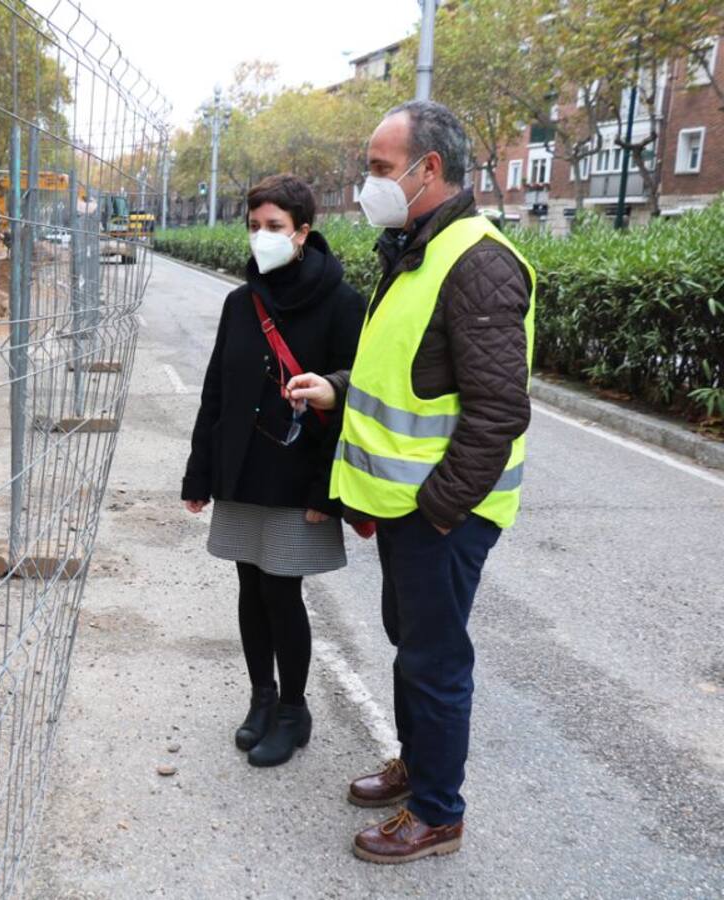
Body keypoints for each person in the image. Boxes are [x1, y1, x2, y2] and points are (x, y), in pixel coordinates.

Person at [288, 100, 535, 864]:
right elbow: (404, 372)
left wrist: (439, 510)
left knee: (434, 660)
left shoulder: (477, 261)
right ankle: (417, 764)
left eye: (379, 168)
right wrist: (337, 388)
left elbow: (498, 411)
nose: (368, 185)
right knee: (411, 646)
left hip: (443, 512)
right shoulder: (415, 251)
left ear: (429, 169)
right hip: (407, 508)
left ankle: (436, 813)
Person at [182, 174, 365, 768]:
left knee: (282, 592)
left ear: (303, 232)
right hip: (241, 470)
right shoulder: (242, 303)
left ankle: (293, 710)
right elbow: (215, 391)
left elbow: (355, 401)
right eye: (254, 225)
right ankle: (261, 698)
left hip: (299, 476)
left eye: (275, 226)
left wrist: (327, 492)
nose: (262, 236)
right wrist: (199, 474)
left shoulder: (343, 303)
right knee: (249, 587)